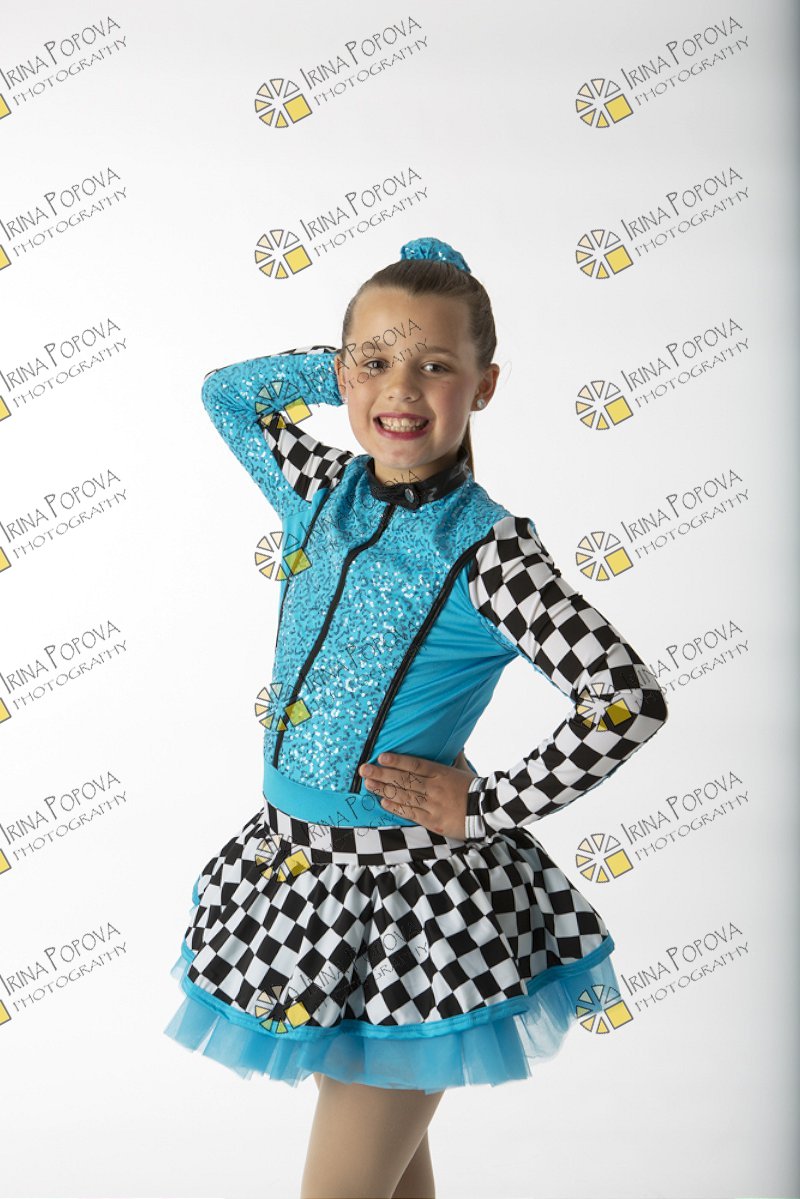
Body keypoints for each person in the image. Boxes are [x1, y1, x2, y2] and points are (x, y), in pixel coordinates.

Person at [163, 236, 669, 1198]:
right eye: (376, 362)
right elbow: (227, 394)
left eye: (435, 365)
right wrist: (341, 364)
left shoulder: (490, 553)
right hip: (300, 885)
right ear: (344, 372)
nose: (401, 389)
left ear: (484, 386)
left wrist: (485, 804)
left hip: (410, 910)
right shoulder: (321, 489)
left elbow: (626, 698)